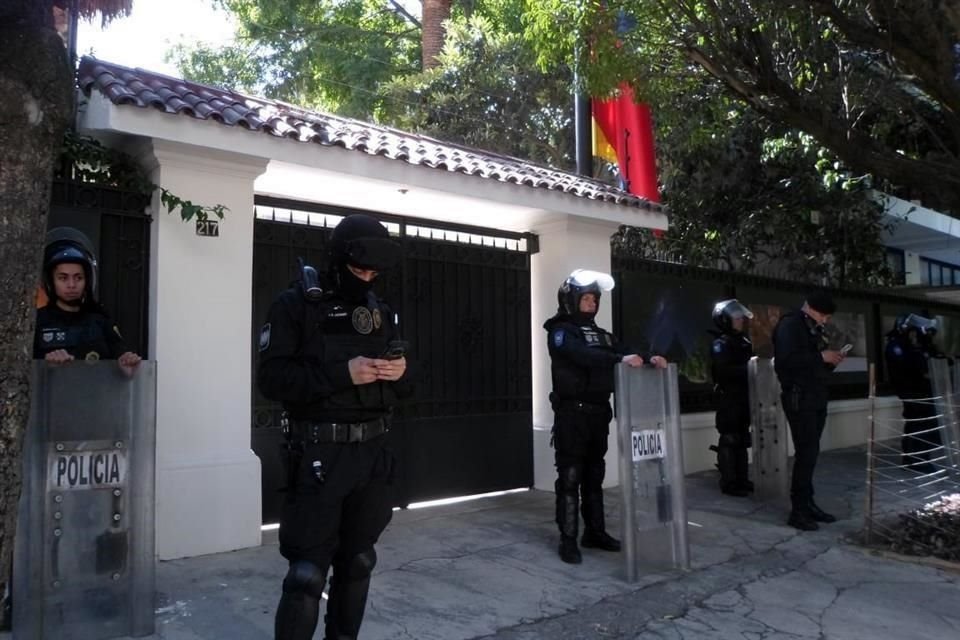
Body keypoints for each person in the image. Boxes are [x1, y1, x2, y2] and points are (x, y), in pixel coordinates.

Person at [257, 214, 412, 640]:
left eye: (373, 273)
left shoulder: (381, 312)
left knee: (359, 561)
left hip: (372, 456)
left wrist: (400, 373)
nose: (366, 279)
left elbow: (407, 387)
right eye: (358, 270)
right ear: (338, 259)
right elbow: (272, 380)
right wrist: (342, 373)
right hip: (319, 457)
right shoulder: (296, 306)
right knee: (307, 575)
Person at [543, 269, 667, 564]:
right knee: (570, 477)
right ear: (571, 300)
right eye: (585, 298)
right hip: (572, 414)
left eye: (594, 299)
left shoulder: (602, 335)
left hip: (599, 414)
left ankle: (595, 532)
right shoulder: (560, 332)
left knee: (594, 476)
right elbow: (582, 355)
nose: (591, 303)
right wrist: (617, 359)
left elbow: (626, 351)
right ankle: (568, 539)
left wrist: (650, 358)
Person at [772, 291, 845, 531]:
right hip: (799, 397)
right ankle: (799, 510)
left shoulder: (811, 327)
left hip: (815, 395)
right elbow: (786, 361)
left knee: (811, 453)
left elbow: (813, 365)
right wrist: (820, 356)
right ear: (810, 308)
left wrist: (830, 361)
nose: (824, 320)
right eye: (822, 315)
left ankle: (808, 504)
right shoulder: (791, 325)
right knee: (806, 453)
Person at [33, 228, 141, 375]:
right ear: (50, 282)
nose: (71, 285)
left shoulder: (100, 321)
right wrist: (45, 365)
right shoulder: (37, 322)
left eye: (78, 277)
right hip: (51, 397)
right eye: (63, 278)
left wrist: (126, 365)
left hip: (95, 396)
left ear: (87, 281)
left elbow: (122, 362)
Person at [885, 313, 944, 473]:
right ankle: (917, 460)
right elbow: (909, 366)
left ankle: (917, 458)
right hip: (911, 391)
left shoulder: (914, 346)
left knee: (924, 424)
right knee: (919, 424)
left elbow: (932, 357)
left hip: (922, 391)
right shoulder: (896, 346)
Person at [709, 299, 755, 497]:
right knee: (729, 438)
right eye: (735, 317)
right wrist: (750, 368)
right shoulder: (721, 344)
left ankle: (742, 479)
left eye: (740, 317)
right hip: (729, 397)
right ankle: (729, 482)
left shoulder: (744, 341)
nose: (740, 320)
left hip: (745, 396)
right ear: (725, 319)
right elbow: (723, 371)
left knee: (743, 438)